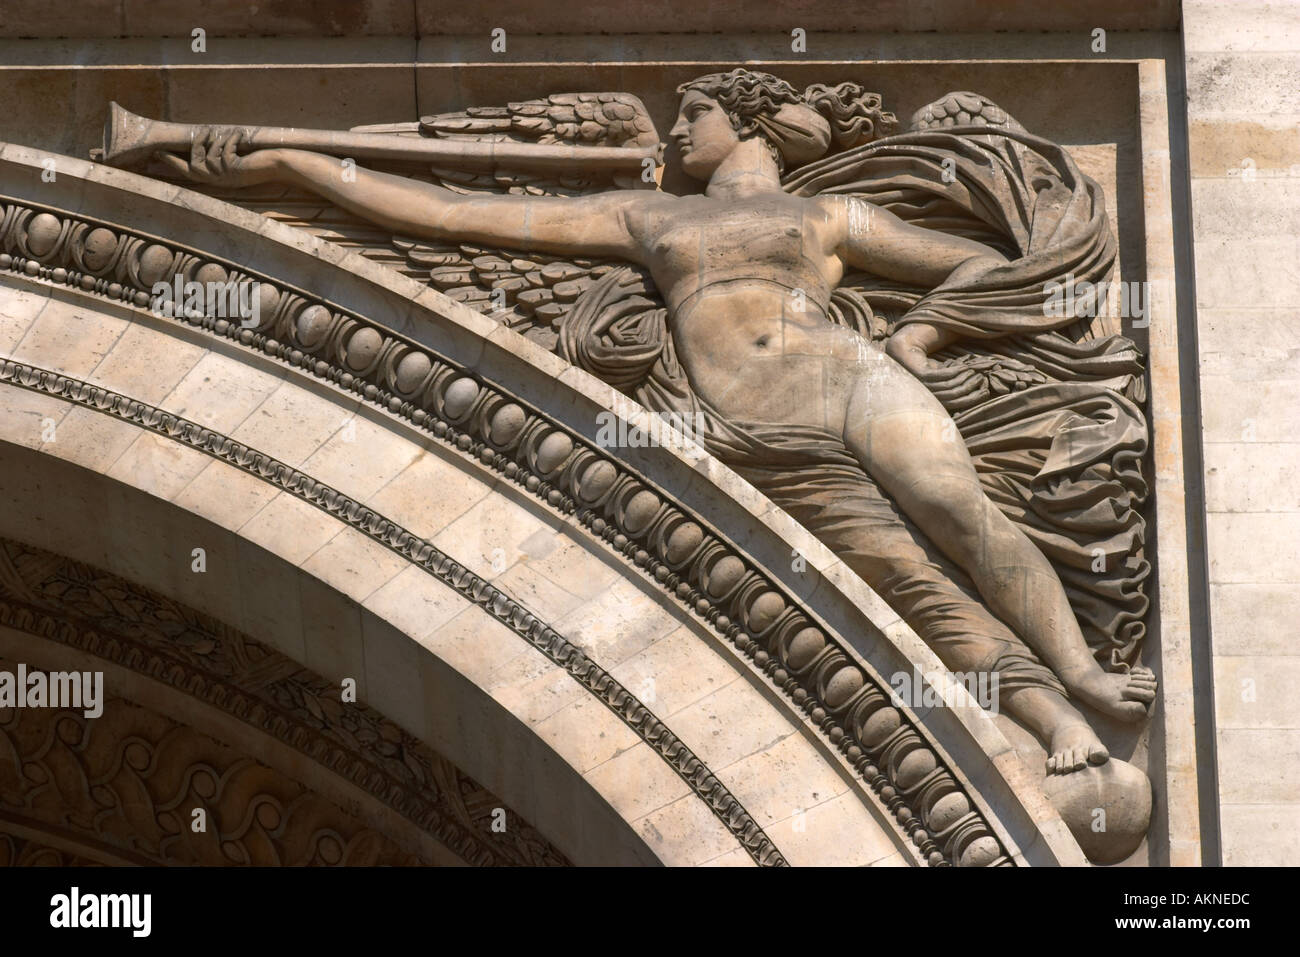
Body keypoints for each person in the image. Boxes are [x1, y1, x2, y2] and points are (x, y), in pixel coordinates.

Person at [160, 68, 1156, 775]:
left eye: (696, 112)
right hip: (750, 428)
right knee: (903, 575)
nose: (679, 133)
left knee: (963, 515)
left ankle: (1078, 679)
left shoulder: (823, 219)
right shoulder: (650, 221)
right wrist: (292, 164)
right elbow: (446, 215)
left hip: (852, 380)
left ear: (749, 123)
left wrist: (925, 338)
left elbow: (977, 266)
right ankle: (1043, 714)